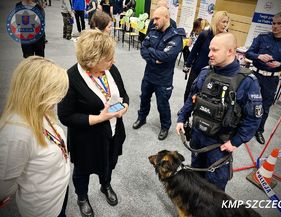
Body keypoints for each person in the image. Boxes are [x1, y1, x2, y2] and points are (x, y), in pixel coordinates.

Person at [176, 32, 263, 191]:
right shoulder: (205, 71)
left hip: (219, 144)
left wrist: (236, 141)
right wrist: (182, 117)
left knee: (214, 187)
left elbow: (254, 118)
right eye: (209, 49)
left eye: (215, 50)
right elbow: (192, 96)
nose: (209, 54)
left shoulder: (246, 81)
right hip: (197, 136)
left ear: (230, 51)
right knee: (195, 176)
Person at [58, 29, 129, 216]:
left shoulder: (110, 69)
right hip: (86, 138)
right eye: (108, 59)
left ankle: (105, 185)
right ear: (92, 60)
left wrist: (125, 106)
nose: (113, 61)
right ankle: (82, 196)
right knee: (83, 170)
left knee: (109, 163)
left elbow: (124, 94)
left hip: (113, 132)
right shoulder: (71, 77)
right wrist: (100, 118)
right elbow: (65, 116)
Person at [0, 56, 70, 217]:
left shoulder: (41, 111)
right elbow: (4, 184)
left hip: (59, 194)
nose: (60, 98)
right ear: (37, 92)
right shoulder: (16, 134)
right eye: (56, 92)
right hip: (43, 209)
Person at [132, 6, 185, 140]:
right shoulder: (153, 31)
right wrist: (155, 59)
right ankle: (141, 118)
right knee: (144, 99)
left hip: (163, 80)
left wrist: (152, 52)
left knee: (162, 105)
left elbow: (166, 57)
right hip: (149, 75)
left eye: (157, 18)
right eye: (153, 18)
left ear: (166, 17)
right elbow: (143, 49)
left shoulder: (176, 37)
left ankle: (165, 126)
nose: (154, 21)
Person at [245, 12, 281, 144]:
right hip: (255, 75)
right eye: (273, 23)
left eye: (279, 23)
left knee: (265, 106)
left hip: (271, 80)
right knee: (247, 101)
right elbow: (249, 53)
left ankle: (259, 130)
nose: (275, 26)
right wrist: (259, 56)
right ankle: (242, 126)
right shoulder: (262, 37)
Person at [182, 11, 230, 103]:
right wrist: (187, 65)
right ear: (216, 21)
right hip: (198, 69)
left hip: (214, 72)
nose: (225, 25)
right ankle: (185, 112)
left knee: (206, 95)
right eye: (223, 22)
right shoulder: (205, 34)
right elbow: (194, 51)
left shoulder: (226, 38)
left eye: (227, 22)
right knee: (190, 91)